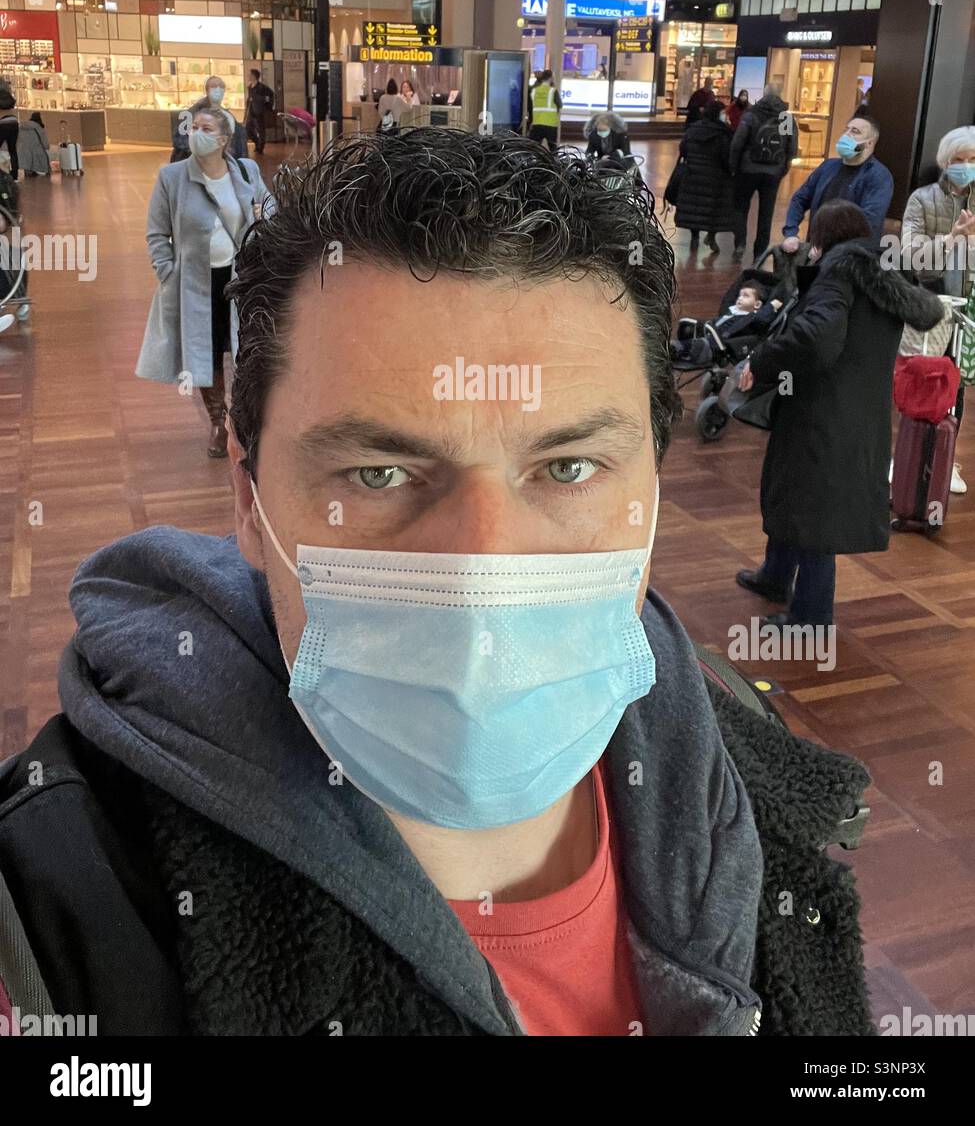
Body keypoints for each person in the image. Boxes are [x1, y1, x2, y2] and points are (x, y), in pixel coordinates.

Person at [0, 130, 876, 1037]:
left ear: (651, 489)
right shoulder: (62, 917)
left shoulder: (745, 761)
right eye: (379, 474)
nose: (483, 575)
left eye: (569, 468)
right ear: (249, 501)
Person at [735, 201, 943, 631]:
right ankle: (775, 576)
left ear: (824, 237)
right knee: (798, 493)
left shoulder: (839, 271)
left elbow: (817, 338)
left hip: (820, 408)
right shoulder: (883, 274)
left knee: (814, 510)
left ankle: (810, 617)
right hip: (859, 410)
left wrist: (764, 360)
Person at [136, 107, 272, 459]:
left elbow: (270, 209)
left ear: (224, 139)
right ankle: (218, 421)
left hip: (240, 279)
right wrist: (168, 272)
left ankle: (245, 421)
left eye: (206, 128)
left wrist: (264, 218)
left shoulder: (246, 170)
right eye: (194, 127)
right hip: (196, 283)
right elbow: (157, 232)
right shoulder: (172, 177)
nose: (197, 132)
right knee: (206, 353)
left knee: (246, 349)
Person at [900, 124, 975, 495]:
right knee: (922, 372)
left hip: (969, 304)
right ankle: (908, 450)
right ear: (945, 163)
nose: (966, 166)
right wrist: (952, 239)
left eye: (973, 160)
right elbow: (912, 256)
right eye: (959, 160)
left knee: (956, 380)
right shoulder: (922, 199)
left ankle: (947, 457)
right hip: (929, 301)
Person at [781, 115, 892, 250]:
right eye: (847, 129)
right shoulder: (828, 167)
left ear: (869, 143)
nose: (847, 134)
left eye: (855, 131)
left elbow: (869, 221)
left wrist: (830, 246)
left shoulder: (878, 176)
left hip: (852, 257)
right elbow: (800, 199)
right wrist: (791, 233)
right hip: (815, 252)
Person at [729, 83, 798, 264]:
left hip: (747, 169)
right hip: (772, 172)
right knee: (766, 213)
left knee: (741, 207)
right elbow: (790, 147)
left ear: (763, 94)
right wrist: (783, 168)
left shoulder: (752, 115)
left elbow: (738, 142)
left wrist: (734, 166)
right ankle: (759, 252)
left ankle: (740, 243)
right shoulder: (785, 118)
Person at [676, 100, 740, 255]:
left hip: (693, 175)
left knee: (694, 208)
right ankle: (711, 237)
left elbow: (683, 149)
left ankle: (695, 237)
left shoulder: (693, 129)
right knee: (713, 212)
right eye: (723, 112)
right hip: (715, 180)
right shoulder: (723, 133)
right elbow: (726, 158)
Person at [671, 280, 783, 366]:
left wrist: (771, 306)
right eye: (739, 295)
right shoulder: (731, 311)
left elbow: (762, 318)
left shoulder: (751, 317)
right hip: (709, 337)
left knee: (695, 346)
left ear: (757, 305)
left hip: (718, 347)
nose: (740, 298)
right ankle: (676, 348)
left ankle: (675, 349)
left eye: (746, 296)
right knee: (687, 330)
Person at [171, 76, 248, 163]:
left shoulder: (227, 115)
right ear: (207, 90)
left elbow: (238, 139)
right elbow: (180, 141)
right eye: (214, 86)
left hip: (222, 162)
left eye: (221, 86)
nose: (218, 89)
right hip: (198, 162)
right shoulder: (192, 113)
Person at [527, 68, 562, 150]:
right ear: (550, 78)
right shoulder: (553, 91)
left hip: (537, 123)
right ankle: (552, 162)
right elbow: (560, 105)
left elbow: (530, 106)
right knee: (553, 149)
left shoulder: (534, 90)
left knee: (533, 148)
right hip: (550, 125)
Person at [244, 69, 275, 156]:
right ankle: (257, 143)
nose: (248, 76)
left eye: (249, 74)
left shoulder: (262, 87)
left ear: (254, 76)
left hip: (260, 111)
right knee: (248, 129)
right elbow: (250, 98)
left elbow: (270, 95)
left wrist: (264, 103)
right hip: (251, 111)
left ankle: (261, 147)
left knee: (261, 130)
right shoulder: (250, 87)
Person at [16, 111, 51, 176]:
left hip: (23, 153)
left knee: (28, 175)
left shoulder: (22, 127)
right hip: (36, 152)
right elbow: (44, 141)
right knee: (41, 177)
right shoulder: (38, 127)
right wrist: (46, 147)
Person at [0, 89, 19, 180]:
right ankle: (15, 176)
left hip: (3, 123)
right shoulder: (9, 98)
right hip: (14, 122)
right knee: (12, 150)